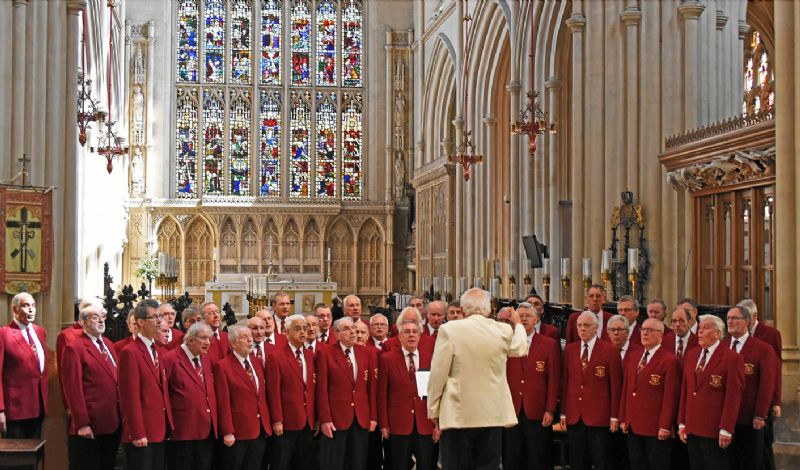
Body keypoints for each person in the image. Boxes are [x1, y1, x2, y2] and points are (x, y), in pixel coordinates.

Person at [427, 288, 528, 469]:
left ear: (463, 310)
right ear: (489, 309)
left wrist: (433, 410)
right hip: (492, 415)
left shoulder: (449, 330)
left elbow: (438, 374)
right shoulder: (502, 330)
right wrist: (519, 324)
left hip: (458, 415)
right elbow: (520, 347)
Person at [678, 315, 745, 470]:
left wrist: (726, 428)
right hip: (692, 426)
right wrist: (682, 421)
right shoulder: (692, 355)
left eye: (706, 328)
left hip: (714, 428)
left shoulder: (731, 358)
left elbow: (733, 397)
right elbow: (686, 390)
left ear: (717, 333)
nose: (700, 332)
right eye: (700, 328)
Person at [60, 303, 120, 470]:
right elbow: (73, 389)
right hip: (91, 424)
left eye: (103, 316)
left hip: (112, 421)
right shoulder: (75, 348)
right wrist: (81, 423)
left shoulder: (108, 344)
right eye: (95, 317)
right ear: (83, 322)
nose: (101, 321)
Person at [561, 311, 623, 470]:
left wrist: (615, 415)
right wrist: (563, 412)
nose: (582, 329)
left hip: (599, 416)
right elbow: (566, 382)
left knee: (601, 459)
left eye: (586, 325)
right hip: (575, 415)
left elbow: (615, 386)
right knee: (577, 460)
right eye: (579, 326)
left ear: (596, 328)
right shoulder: (570, 350)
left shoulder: (610, 350)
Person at [503, 301, 561, 470]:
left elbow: (553, 379)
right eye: (521, 317)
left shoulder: (548, 344)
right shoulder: (508, 342)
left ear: (536, 319)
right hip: (512, 409)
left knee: (538, 457)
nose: (525, 319)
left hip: (537, 410)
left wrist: (550, 409)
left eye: (528, 316)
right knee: (513, 457)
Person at [315, 317, 378, 470]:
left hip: (361, 418)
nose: (352, 332)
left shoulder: (365, 353)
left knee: (358, 463)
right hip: (336, 420)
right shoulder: (326, 353)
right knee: (335, 463)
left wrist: (373, 417)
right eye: (346, 329)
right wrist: (325, 420)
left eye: (353, 328)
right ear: (336, 334)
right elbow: (322, 390)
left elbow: (371, 388)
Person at [619, 319, 681, 470]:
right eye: (643, 329)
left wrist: (665, 426)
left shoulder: (669, 360)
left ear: (660, 335)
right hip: (633, 424)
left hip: (655, 426)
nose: (645, 333)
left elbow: (670, 397)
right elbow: (626, 390)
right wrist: (623, 417)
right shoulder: (634, 356)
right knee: (636, 463)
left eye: (650, 330)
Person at [119, 299, 174, 470]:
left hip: (158, 428)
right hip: (142, 431)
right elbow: (130, 396)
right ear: (141, 322)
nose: (159, 321)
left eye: (160, 317)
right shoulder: (130, 352)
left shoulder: (156, 349)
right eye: (155, 317)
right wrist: (137, 432)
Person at [378, 319, 438, 470]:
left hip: (425, 423)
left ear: (419, 336)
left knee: (427, 465)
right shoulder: (387, 359)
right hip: (398, 423)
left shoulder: (430, 358)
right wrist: (384, 423)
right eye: (407, 332)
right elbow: (382, 394)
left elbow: (437, 393)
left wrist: (438, 423)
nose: (411, 335)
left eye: (414, 332)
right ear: (399, 336)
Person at [725, 306, 777, 470]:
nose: (730, 322)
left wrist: (760, 415)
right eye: (728, 318)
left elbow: (767, 385)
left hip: (749, 417)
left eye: (735, 318)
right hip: (726, 418)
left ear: (747, 322)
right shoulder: (722, 345)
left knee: (752, 461)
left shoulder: (763, 349)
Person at [214, 324, 272, 470]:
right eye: (244, 337)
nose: (250, 340)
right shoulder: (223, 366)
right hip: (238, 432)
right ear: (233, 343)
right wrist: (227, 431)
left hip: (259, 429)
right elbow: (223, 402)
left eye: (250, 337)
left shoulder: (256, 362)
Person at [162, 322, 218, 470]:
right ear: (190, 339)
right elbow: (164, 395)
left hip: (206, 430)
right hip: (182, 431)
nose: (207, 342)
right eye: (203, 338)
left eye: (209, 339)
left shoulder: (206, 358)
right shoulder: (170, 359)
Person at [266, 314, 316, 470]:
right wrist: (277, 420)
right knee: (282, 462)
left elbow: (312, 388)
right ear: (286, 332)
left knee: (304, 463)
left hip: (308, 421)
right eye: (297, 329)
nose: (303, 332)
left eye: (304, 329)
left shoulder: (310, 355)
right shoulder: (276, 357)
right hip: (286, 422)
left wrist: (317, 417)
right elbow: (273, 392)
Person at [738, 299, 782, 470]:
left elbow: (776, 369)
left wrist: (776, 401)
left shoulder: (770, 334)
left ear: (753, 316)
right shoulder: (734, 335)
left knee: (763, 444)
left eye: (744, 317)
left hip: (764, 398)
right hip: (744, 400)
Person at [0, 292, 48, 439]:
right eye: (26, 306)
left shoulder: (40, 331)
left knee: (35, 454)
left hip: (38, 405)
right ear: (14, 310)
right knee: (16, 458)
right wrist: (0, 409)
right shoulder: (4, 334)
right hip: (15, 408)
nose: (31, 309)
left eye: (33, 305)